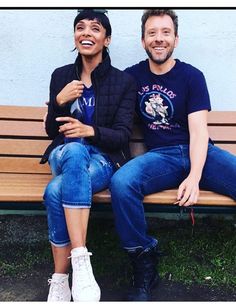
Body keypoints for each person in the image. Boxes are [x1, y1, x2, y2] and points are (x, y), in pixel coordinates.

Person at [110, 9, 236, 301]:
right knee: (122, 183)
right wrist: (58, 109)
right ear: (143, 41)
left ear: (176, 39)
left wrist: (194, 176)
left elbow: (198, 131)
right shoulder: (131, 77)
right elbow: (105, 106)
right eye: (152, 33)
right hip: (161, 158)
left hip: (200, 152)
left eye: (165, 33)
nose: (159, 39)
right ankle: (144, 260)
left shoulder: (192, 76)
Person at [40, 9, 136, 302]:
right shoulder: (61, 76)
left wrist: (88, 130)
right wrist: (59, 101)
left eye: (95, 29)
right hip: (65, 153)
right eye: (80, 27)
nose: (86, 33)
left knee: (56, 190)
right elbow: (50, 130)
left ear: (106, 39)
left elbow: (122, 135)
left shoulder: (123, 82)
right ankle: (81, 260)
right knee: (73, 149)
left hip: (104, 159)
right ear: (74, 37)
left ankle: (60, 278)